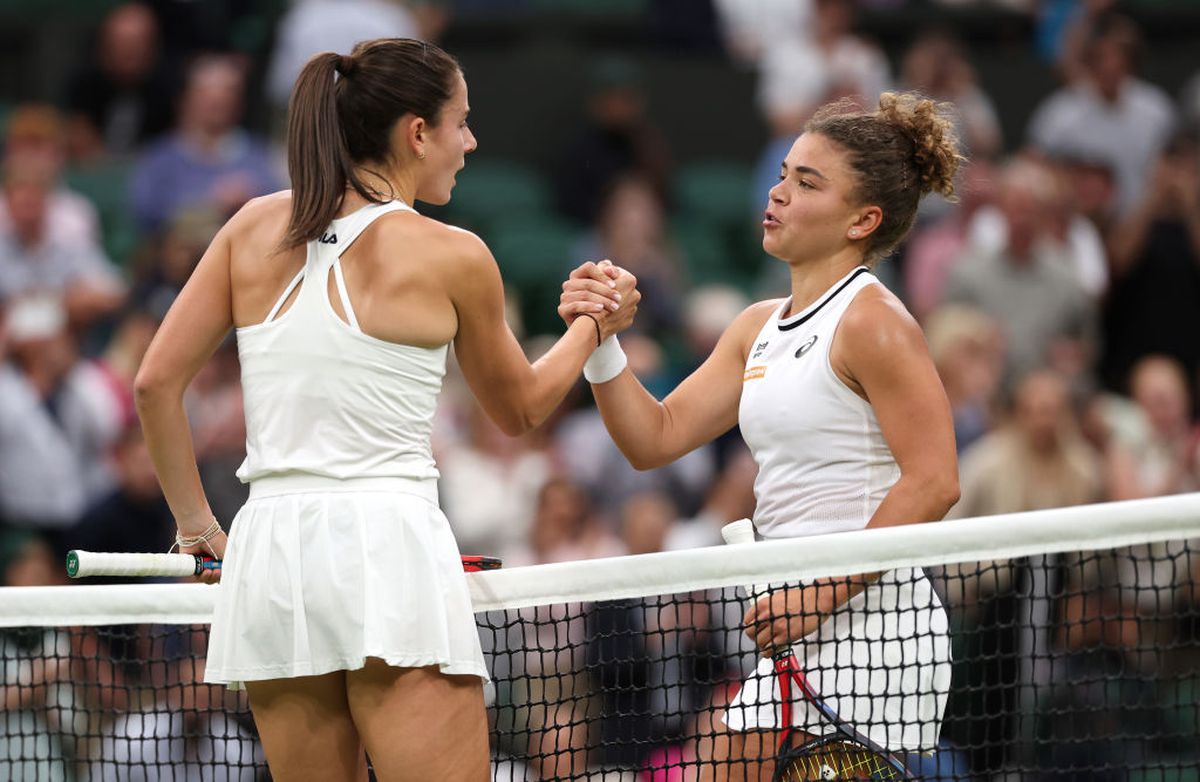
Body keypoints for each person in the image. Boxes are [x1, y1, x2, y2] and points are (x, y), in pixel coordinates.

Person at [133, 38, 639, 781]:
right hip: (387, 550)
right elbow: (522, 408)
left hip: (270, 553)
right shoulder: (453, 253)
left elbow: (153, 385)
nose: (469, 142)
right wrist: (594, 326)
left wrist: (196, 527)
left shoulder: (248, 228)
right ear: (416, 132)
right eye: (461, 122)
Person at [561, 91, 962, 780]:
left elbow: (935, 481)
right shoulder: (755, 327)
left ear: (863, 219)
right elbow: (652, 438)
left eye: (807, 183)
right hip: (796, 629)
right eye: (783, 174)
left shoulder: (875, 322)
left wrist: (818, 594)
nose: (778, 193)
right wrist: (599, 341)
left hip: (872, 629)